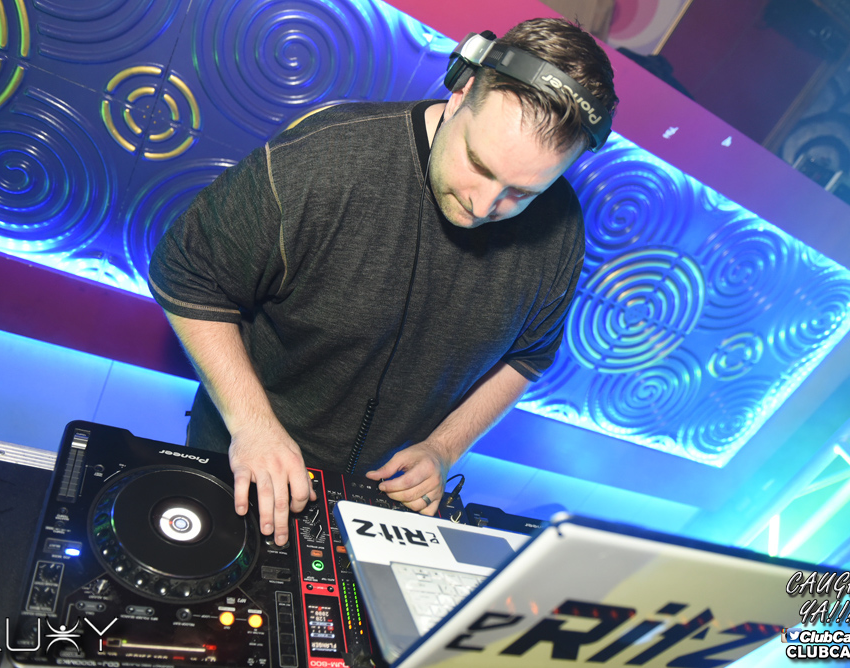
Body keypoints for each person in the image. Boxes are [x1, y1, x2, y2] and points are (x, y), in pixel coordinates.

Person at [148, 17, 618, 547]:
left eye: (522, 192)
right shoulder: (323, 160)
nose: (485, 205)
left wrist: (443, 448)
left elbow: (528, 355)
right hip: (249, 462)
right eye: (478, 164)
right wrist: (252, 425)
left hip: (380, 506)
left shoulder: (561, 233)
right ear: (461, 92)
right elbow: (187, 272)